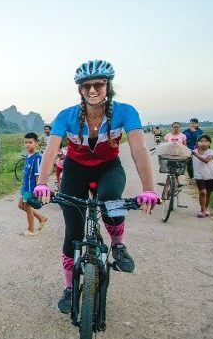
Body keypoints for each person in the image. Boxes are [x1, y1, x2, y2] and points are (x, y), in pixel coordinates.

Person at [33, 59, 158, 314]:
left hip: (108, 169)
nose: (92, 90)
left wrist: (149, 189)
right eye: (86, 86)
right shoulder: (66, 116)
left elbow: (138, 149)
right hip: (75, 171)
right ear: (79, 89)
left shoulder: (126, 111)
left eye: (98, 85)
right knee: (73, 233)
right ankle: (69, 288)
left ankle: (118, 244)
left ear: (107, 85)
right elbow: (51, 149)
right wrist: (42, 184)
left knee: (111, 199)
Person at [18, 132, 48, 236]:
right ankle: (41, 218)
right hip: (25, 187)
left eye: (30, 142)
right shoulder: (28, 156)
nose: (27, 145)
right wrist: (22, 186)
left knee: (26, 206)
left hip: (32, 188)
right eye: (25, 142)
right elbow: (25, 174)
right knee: (21, 205)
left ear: (36, 143)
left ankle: (30, 230)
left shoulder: (37, 157)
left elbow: (37, 175)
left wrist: (37, 190)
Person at [191, 134, 213, 218]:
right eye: (201, 141)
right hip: (199, 176)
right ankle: (202, 210)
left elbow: (206, 160)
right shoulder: (193, 151)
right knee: (203, 192)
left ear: (209, 143)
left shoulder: (212, 152)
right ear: (197, 143)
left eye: (206, 141)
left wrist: (196, 155)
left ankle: (205, 209)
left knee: (208, 193)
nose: (203, 143)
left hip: (211, 175)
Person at [183, 118, 203, 183]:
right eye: (192, 123)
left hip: (197, 150)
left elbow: (198, 139)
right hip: (188, 150)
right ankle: (191, 178)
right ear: (189, 124)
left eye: (195, 123)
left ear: (197, 124)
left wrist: (194, 131)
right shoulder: (185, 131)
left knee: (197, 164)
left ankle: (199, 177)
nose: (193, 124)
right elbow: (181, 139)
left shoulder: (200, 131)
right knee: (189, 164)